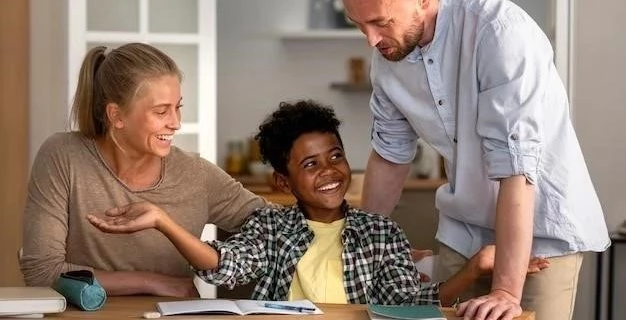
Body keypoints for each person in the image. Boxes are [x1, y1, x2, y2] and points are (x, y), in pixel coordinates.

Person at [331, 0, 609, 320]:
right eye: (359, 25)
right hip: (463, 232)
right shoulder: (387, 52)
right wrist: (365, 245)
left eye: (380, 22)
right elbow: (390, 155)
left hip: (539, 239)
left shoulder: (499, 33)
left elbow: (516, 170)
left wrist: (506, 292)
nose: (370, 40)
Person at [87, 100, 548, 305]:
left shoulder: (380, 232)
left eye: (335, 156)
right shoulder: (270, 227)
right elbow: (221, 265)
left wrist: (477, 268)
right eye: (310, 165)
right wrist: (165, 221)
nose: (329, 171)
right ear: (283, 181)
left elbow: (410, 305)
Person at [20, 43, 267, 297]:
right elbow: (42, 272)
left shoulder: (197, 175)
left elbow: (277, 227)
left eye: (177, 107)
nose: (176, 123)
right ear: (116, 116)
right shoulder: (63, 156)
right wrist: (154, 283)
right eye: (161, 111)